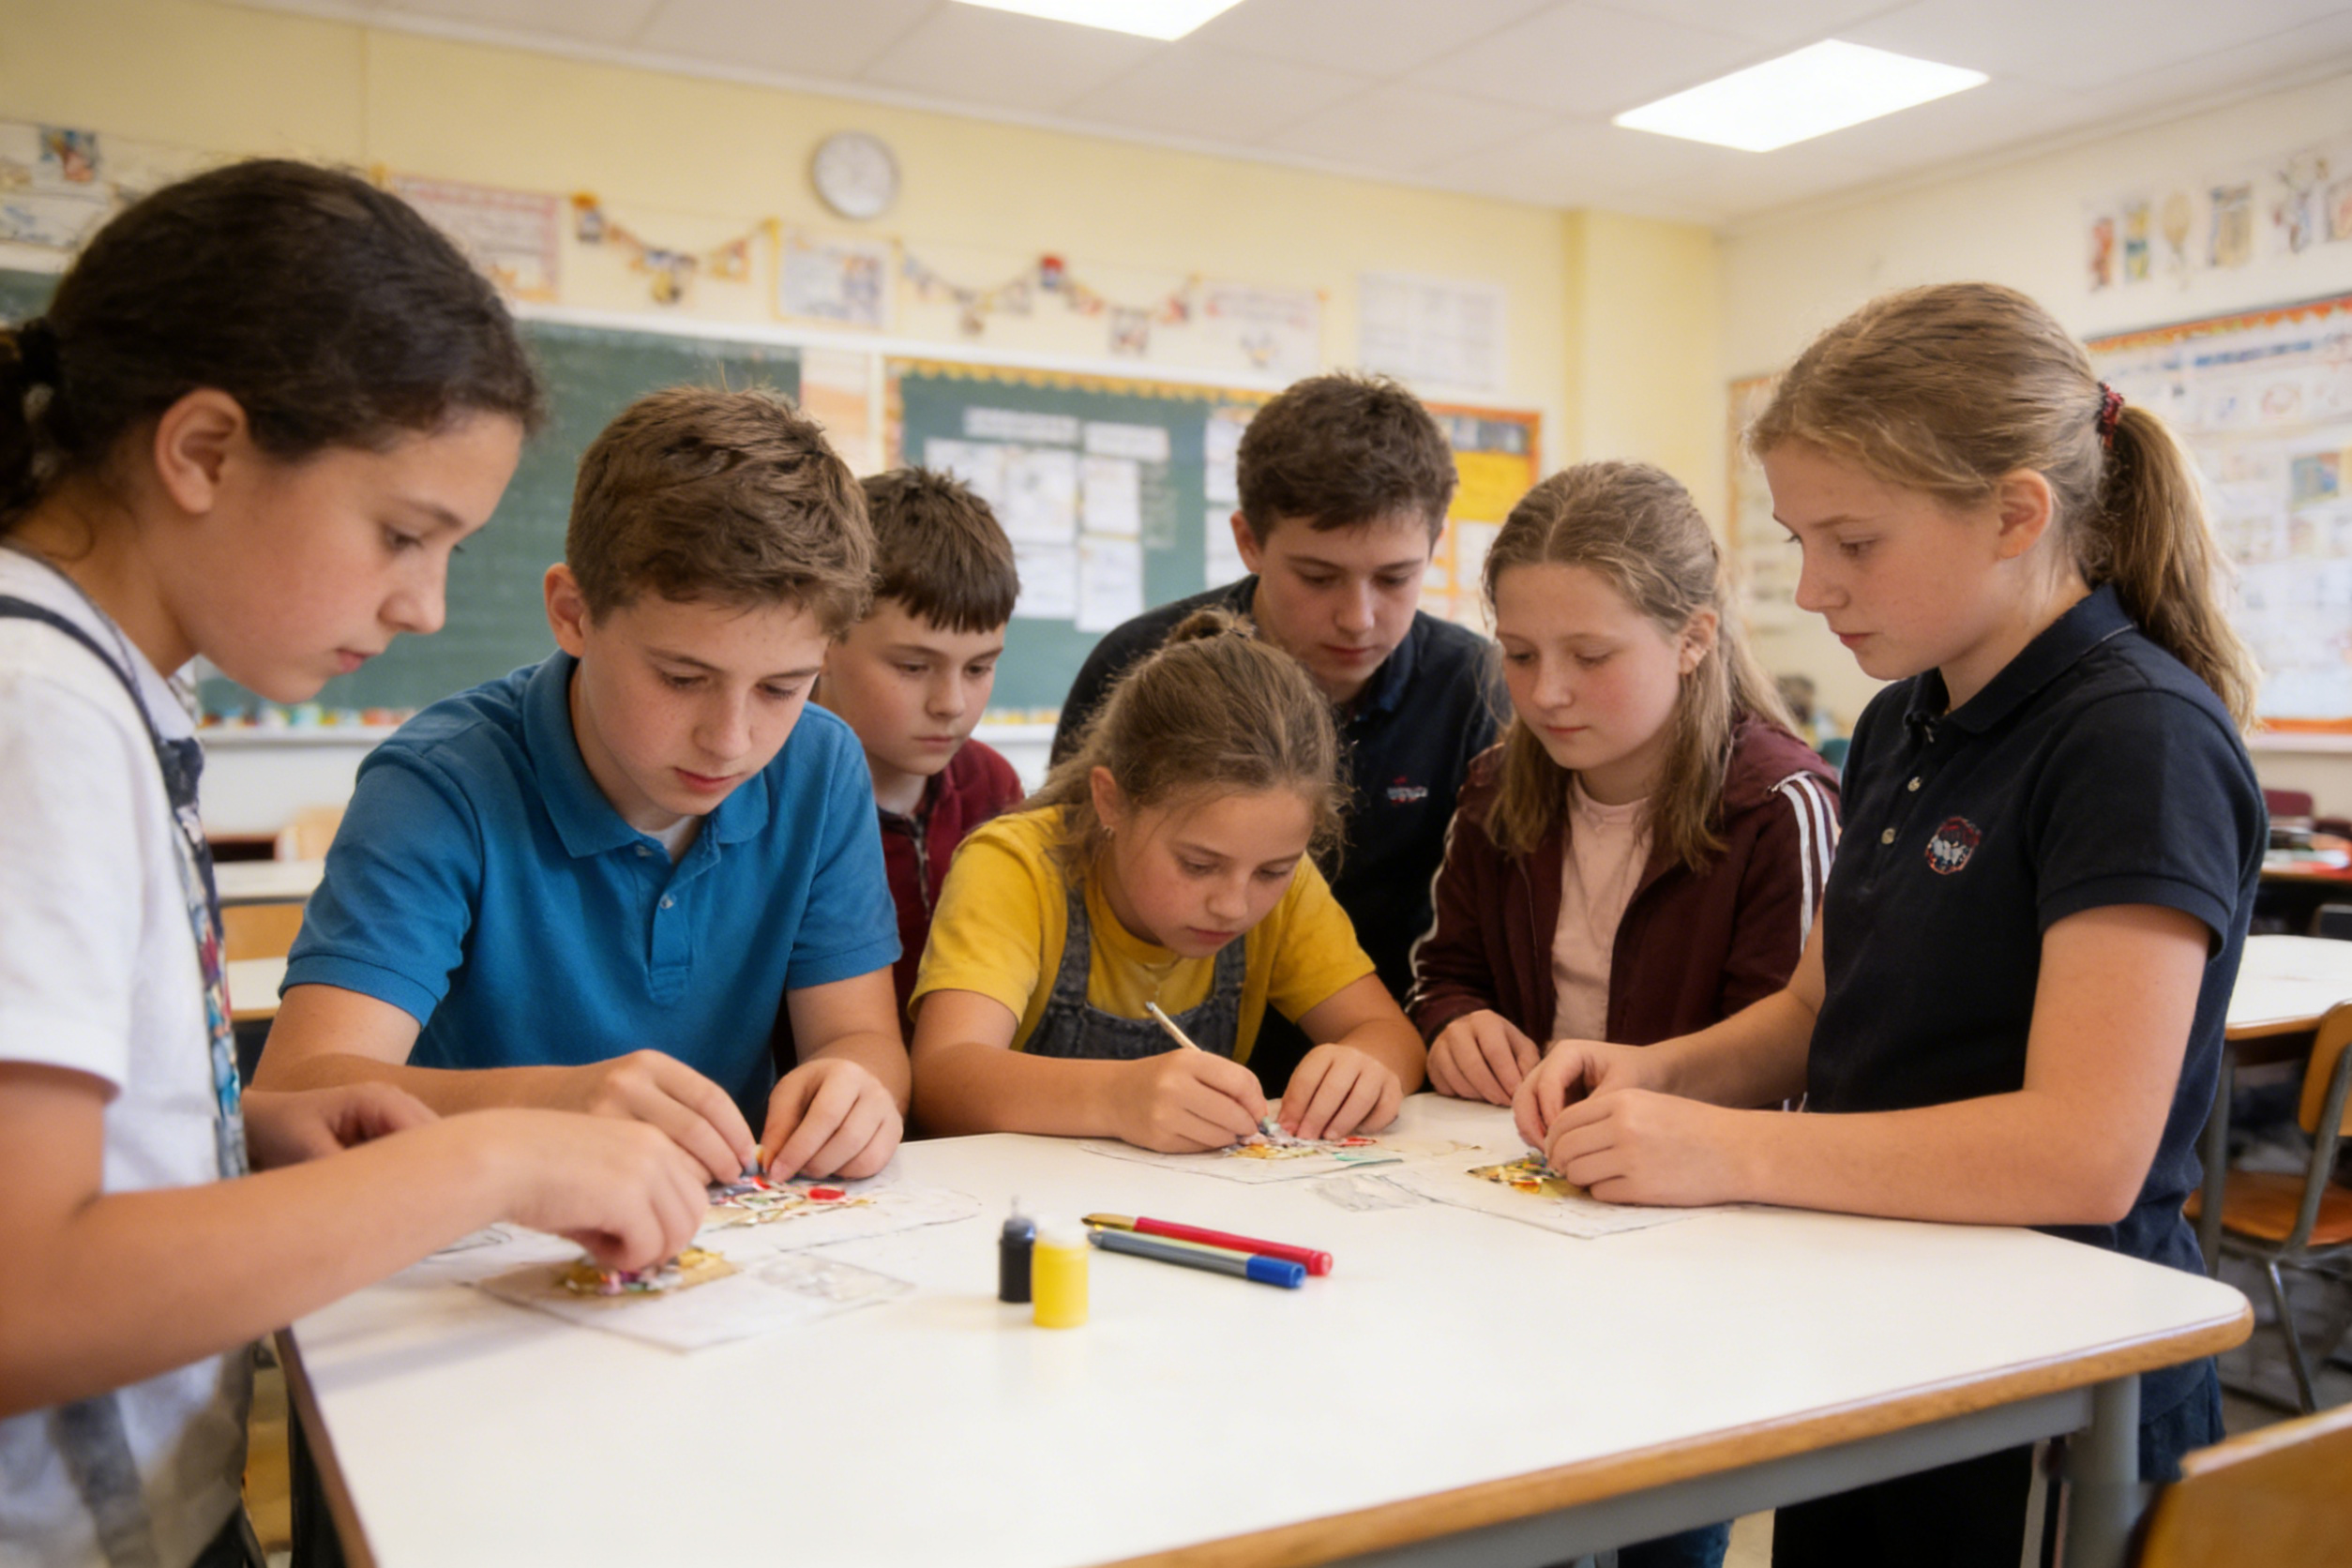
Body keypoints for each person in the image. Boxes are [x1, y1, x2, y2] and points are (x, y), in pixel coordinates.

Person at [0, 160, 708, 1568]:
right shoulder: (37, 708)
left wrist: (247, 1136)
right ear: (204, 452)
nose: (426, 605)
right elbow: (23, 1295)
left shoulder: (96, 683)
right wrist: (488, 1161)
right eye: (401, 534)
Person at [1515, 283, 2265, 1568]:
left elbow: (2084, 1153)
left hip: (2053, 1369)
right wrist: (1659, 1075)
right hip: (1886, 1331)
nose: (1812, 589)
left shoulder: (2134, 738)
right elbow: (1819, 1008)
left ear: (2016, 514)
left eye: (1854, 543)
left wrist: (1723, 1149)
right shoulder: (1903, 718)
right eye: (1800, 541)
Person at [256, 386, 908, 1184]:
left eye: (782, 687)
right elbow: (296, 1092)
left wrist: (858, 1088)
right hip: (479, 1222)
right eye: (681, 678)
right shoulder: (439, 786)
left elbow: (859, 1039)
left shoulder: (820, 765)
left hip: (723, 1227)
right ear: (573, 613)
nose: (731, 739)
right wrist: (555, 1105)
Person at [1411, 460, 1837, 1568]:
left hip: (1696, 1249)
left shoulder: (1779, 804)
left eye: (1590, 656)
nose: (1547, 691)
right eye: (1518, 655)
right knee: (1512, 1499)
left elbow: (1790, 1059)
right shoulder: (1500, 784)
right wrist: (1454, 1020)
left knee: (1663, 1526)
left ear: (1693, 638)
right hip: (1519, 1216)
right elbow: (1444, 968)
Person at [1051, 372, 1496, 1091]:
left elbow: (1482, 933)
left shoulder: (1475, 689)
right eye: (1318, 577)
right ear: (1248, 541)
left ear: (1435, 545)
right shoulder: (1143, 666)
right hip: (1140, 1076)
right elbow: (1068, 883)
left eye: (1394, 579)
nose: (1358, 617)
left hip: (1374, 1073)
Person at [912, 611, 1425, 1150]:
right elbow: (942, 1080)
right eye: (1198, 865)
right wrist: (1115, 1097)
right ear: (1110, 800)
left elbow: (1394, 1038)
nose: (1233, 905)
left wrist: (1363, 1066)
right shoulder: (1017, 866)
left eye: (1272, 872)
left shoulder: (1286, 885)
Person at [811, 466, 1024, 1034]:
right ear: (825, 639)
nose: (951, 704)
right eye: (912, 666)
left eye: (979, 668)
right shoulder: (776, 789)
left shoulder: (992, 787)